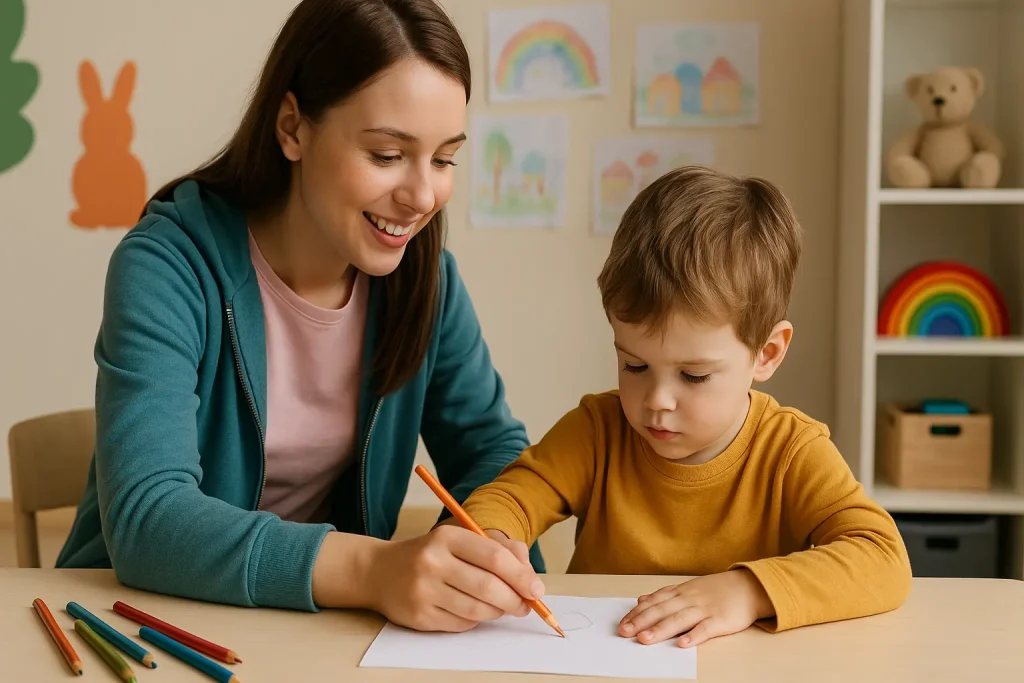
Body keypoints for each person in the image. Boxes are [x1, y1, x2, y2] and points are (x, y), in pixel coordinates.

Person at [56, 0, 549, 634]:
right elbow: (150, 519)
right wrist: (376, 571)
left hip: (312, 627)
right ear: (293, 127)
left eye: (445, 158)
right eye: (386, 154)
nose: (423, 195)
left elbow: (490, 450)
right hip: (140, 621)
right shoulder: (168, 266)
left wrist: (488, 546)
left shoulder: (425, 281)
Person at [460, 165, 913, 648]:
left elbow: (882, 558)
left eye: (694, 375)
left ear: (767, 353)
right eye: (634, 366)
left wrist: (749, 591)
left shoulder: (790, 450)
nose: (657, 400)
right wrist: (492, 535)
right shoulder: (596, 431)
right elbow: (510, 496)